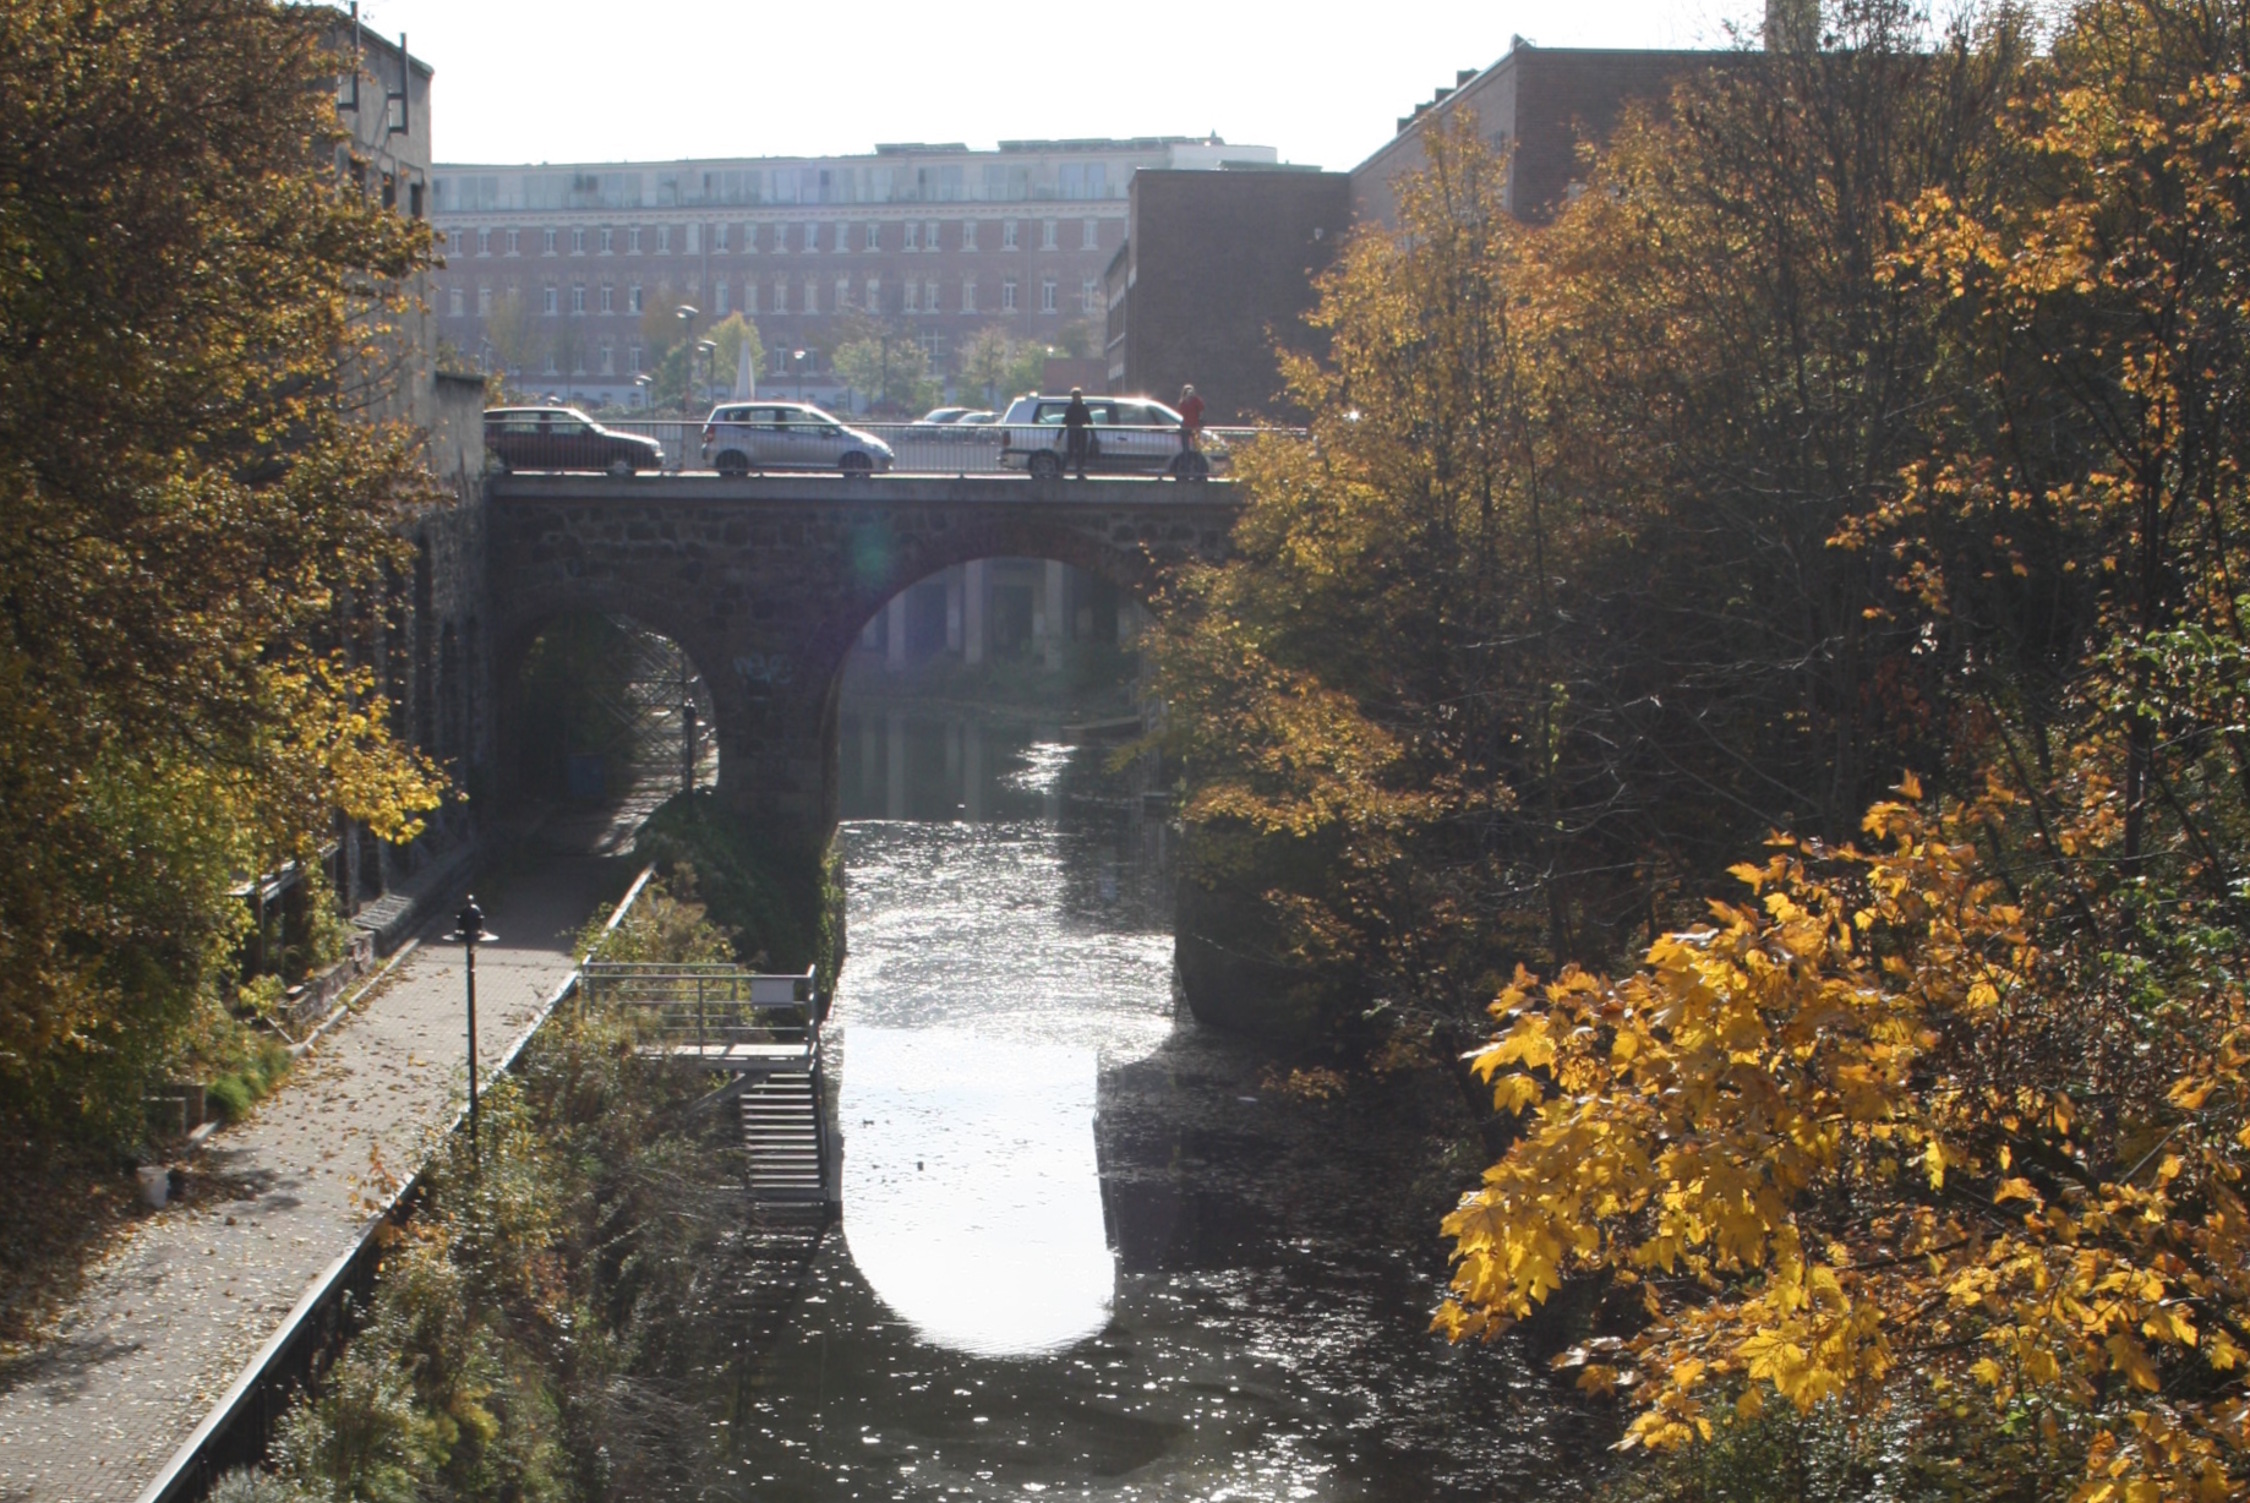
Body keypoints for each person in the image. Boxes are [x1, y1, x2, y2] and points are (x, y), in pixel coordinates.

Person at [1063, 387, 1092, 479]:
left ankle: (1079, 472)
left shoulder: (1084, 407)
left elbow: (1089, 420)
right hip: (1072, 432)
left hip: (1082, 432)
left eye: (1078, 396)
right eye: (1075, 396)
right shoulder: (1069, 408)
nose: (1077, 398)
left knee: (1082, 453)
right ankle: (1061, 471)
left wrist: (1093, 434)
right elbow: (1065, 421)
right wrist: (1058, 436)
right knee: (1070, 453)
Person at [1177, 383, 1205, 453]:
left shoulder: (1196, 400)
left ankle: (1196, 459)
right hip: (1186, 426)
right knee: (1185, 447)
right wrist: (1186, 400)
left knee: (1196, 446)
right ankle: (1186, 458)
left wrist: (1195, 399)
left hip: (1195, 426)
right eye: (1187, 392)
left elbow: (1202, 408)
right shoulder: (1183, 402)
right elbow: (1181, 412)